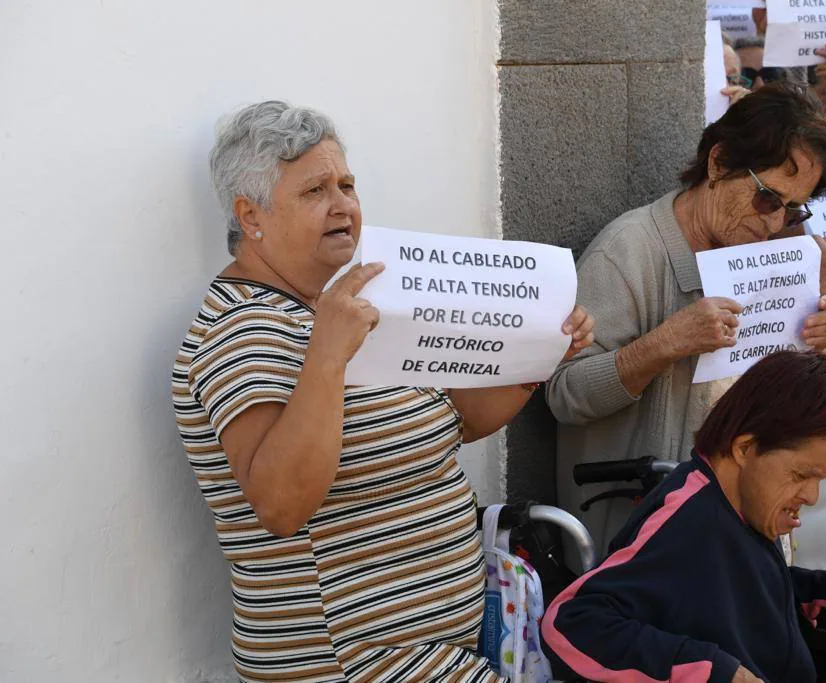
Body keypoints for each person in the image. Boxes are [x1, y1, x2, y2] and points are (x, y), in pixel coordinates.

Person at [171, 100, 595, 683]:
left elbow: (459, 420)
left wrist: (539, 354)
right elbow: (281, 503)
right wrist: (326, 354)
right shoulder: (243, 331)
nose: (343, 203)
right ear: (252, 216)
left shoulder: (344, 303)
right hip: (347, 658)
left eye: (347, 184)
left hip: (428, 649)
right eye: (315, 190)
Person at [547, 83, 826, 552]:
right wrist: (665, 342)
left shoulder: (779, 257)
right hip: (638, 552)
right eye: (767, 198)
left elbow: (799, 415)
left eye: (793, 209)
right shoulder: (629, 249)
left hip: (735, 544)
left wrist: (825, 340)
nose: (774, 223)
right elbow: (564, 396)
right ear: (718, 163)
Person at [541, 351, 826, 683]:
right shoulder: (687, 520)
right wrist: (706, 669)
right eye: (801, 475)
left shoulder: (738, 506)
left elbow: (739, 585)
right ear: (744, 447)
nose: (811, 495)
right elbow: (571, 622)